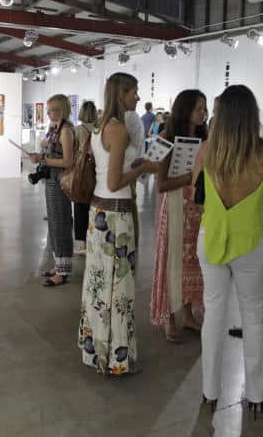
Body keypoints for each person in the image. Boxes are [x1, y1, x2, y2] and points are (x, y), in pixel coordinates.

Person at [192, 85, 263, 417]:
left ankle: (209, 392)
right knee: (253, 316)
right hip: (250, 241)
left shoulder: (207, 150)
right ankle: (256, 394)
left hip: (211, 236)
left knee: (213, 313)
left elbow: (196, 192)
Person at [79, 73, 159, 375]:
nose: (138, 97)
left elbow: (108, 173)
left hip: (100, 213)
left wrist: (133, 165)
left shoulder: (101, 126)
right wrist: (146, 167)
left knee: (99, 283)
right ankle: (116, 358)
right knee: (120, 288)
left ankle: (97, 351)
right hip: (116, 216)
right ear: (122, 93)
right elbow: (115, 182)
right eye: (134, 91)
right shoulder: (119, 129)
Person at [150, 89, 207, 343]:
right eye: (198, 108)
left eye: (204, 108)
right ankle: (170, 318)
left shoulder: (205, 138)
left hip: (198, 208)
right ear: (185, 110)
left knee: (194, 262)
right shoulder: (166, 137)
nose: (203, 113)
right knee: (173, 261)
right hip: (175, 207)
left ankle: (188, 313)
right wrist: (190, 177)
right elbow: (161, 183)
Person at [30, 94, 75, 286]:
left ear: (61, 110)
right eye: (48, 110)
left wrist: (43, 159)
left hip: (61, 181)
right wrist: (42, 154)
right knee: (54, 224)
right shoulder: (55, 128)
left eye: (52, 110)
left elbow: (68, 161)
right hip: (52, 180)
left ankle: (63, 271)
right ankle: (58, 265)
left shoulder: (66, 130)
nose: (48, 114)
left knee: (61, 223)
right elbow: (50, 150)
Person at [73, 101, 98, 256]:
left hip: (82, 173)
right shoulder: (99, 129)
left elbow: (73, 152)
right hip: (97, 172)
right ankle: (93, 241)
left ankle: (80, 243)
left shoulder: (77, 130)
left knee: (79, 208)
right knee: (94, 207)